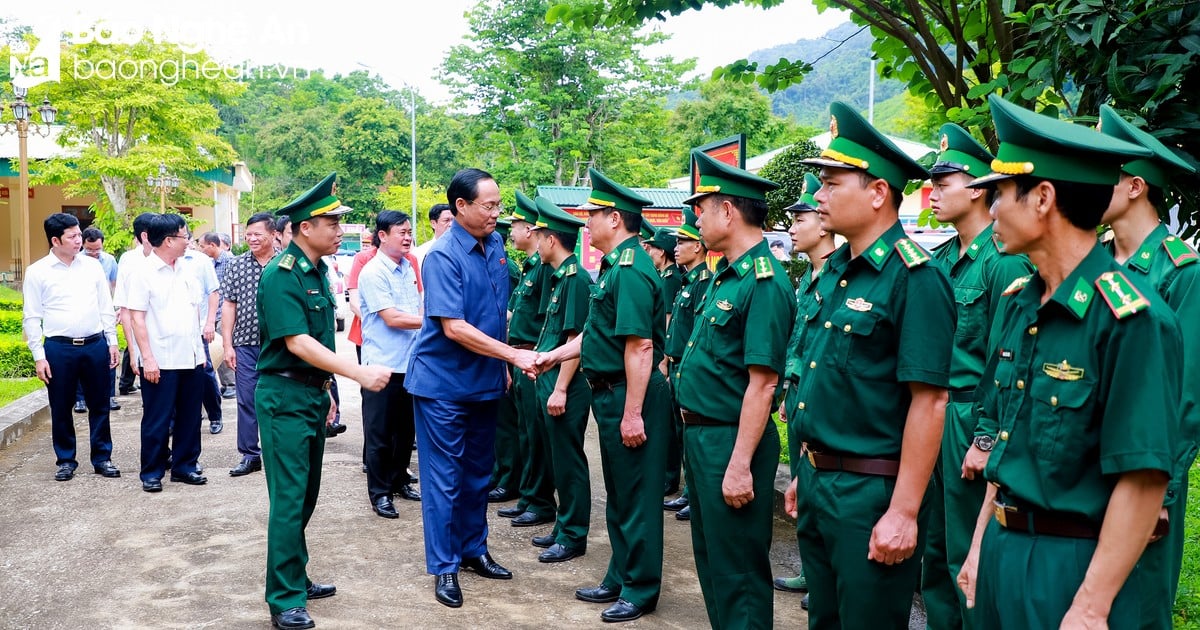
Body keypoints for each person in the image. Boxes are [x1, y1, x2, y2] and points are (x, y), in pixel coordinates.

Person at [956, 94, 1179, 629]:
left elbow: (1143, 479)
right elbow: (1006, 443)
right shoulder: (1017, 302)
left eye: (1001, 195)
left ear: (1043, 198)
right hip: (1005, 551)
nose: (991, 212)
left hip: (1074, 566)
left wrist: (1090, 606)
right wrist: (981, 545)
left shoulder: (1131, 319)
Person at [783, 101, 955, 627]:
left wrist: (903, 511)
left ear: (878, 191)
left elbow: (931, 402)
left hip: (870, 492)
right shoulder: (837, 272)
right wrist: (805, 466)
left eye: (832, 184)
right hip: (818, 481)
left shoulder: (914, 278)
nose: (818, 196)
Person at [254, 173, 392, 630]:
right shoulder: (282, 274)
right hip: (284, 397)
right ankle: (284, 597)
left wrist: (328, 393)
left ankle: (295, 572)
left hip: (310, 394)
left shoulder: (316, 272)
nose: (338, 229)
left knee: (306, 494)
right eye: (330, 221)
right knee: (290, 499)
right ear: (303, 228)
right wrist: (356, 375)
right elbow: (296, 342)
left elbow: (319, 342)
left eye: (338, 221)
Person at [536, 167, 671, 624]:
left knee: (637, 496)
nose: (585, 222)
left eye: (592, 215)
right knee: (620, 493)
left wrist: (633, 413)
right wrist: (553, 356)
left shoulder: (630, 271)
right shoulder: (616, 268)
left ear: (615, 219)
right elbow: (596, 335)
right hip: (610, 392)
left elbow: (640, 346)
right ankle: (621, 573)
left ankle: (640, 587)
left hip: (629, 395)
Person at [404, 168, 537, 609]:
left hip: (484, 381)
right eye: (489, 206)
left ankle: (473, 549)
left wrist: (499, 366)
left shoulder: (495, 245)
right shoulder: (442, 256)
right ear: (460, 207)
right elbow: (454, 327)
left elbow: (496, 311)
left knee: (480, 474)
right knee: (444, 478)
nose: (496, 214)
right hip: (443, 384)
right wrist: (513, 356)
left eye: (498, 206)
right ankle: (444, 567)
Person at [672, 150, 795, 629]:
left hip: (731, 440)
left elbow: (763, 385)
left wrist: (740, 464)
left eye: (702, 209)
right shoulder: (727, 274)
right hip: (705, 437)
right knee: (714, 563)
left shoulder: (763, 281)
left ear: (728, 211)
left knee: (739, 572)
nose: (696, 220)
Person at [919, 124, 1034, 628]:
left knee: (970, 552)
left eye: (944, 184)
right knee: (936, 547)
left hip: (971, 415)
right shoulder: (942, 258)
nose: (934, 193)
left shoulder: (1002, 261)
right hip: (936, 412)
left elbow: (1005, 361)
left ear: (978, 189)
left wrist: (986, 438)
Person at [1097, 104, 1199, 628]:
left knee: (1135, 608)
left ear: (1135, 186)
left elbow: (1185, 396)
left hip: (1145, 474)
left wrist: (1160, 490)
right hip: (1086, 471)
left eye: (1103, 173)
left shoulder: (1180, 271)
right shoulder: (1091, 261)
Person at [774, 172, 836, 605]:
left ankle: (827, 579)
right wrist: (785, 389)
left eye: (801, 218)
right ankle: (812, 572)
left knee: (824, 491)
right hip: (798, 393)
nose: (792, 227)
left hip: (823, 396)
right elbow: (798, 340)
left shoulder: (838, 275)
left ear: (823, 223)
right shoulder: (806, 279)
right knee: (802, 487)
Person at [23, 213, 121, 482]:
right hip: (59, 348)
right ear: (55, 240)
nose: (79, 240)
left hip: (94, 345)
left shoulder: (92, 268)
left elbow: (105, 306)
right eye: (73, 236)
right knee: (61, 405)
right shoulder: (37, 272)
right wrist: (39, 357)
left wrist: (111, 341)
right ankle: (66, 460)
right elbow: (32, 317)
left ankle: (102, 457)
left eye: (79, 234)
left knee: (100, 404)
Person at [528, 196, 593, 563]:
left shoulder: (576, 279)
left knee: (569, 460)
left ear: (552, 240)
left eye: (539, 236)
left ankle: (573, 535)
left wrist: (561, 388)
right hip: (550, 380)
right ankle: (562, 524)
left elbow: (575, 341)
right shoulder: (559, 278)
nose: (536, 243)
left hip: (564, 384)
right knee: (556, 457)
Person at [126, 213, 209, 493]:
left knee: (190, 417)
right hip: (159, 360)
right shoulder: (142, 273)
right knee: (157, 419)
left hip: (191, 357)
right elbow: (137, 319)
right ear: (169, 240)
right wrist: (147, 358)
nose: (189, 242)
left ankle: (185, 466)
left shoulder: (187, 270)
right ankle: (152, 471)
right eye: (185, 237)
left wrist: (201, 353)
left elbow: (195, 311)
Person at [359, 210, 423, 518]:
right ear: (382, 236)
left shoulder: (408, 267)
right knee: (380, 435)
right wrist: (432, 323)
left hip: (409, 365)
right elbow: (392, 317)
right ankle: (380, 492)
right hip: (381, 367)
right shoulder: (373, 272)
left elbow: (414, 304)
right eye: (402, 232)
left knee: (405, 432)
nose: (408, 237)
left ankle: (400, 480)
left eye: (410, 231)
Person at [498, 190, 556, 529]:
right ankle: (530, 495)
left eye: (516, 225)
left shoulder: (546, 269)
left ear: (532, 230)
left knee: (537, 435)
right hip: (521, 355)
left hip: (535, 356)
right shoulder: (532, 266)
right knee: (525, 432)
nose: (512, 232)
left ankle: (540, 499)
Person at [662, 207, 712, 522]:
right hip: (677, 365)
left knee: (690, 433)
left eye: (683, 242)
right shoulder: (686, 280)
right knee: (681, 434)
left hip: (687, 367)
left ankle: (695, 494)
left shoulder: (703, 282)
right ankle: (687, 492)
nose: (676, 247)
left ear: (698, 246)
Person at [220, 212, 277, 477]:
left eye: (258, 234)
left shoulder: (285, 263)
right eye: (248, 234)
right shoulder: (236, 265)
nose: (252, 238)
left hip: (281, 346)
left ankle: (278, 453)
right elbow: (229, 305)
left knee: (279, 400)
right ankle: (250, 455)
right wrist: (228, 345)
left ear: (273, 234)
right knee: (247, 400)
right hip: (246, 344)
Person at [488, 217, 522, 503]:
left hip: (508, 350)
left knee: (507, 425)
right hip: (498, 350)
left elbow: (506, 316)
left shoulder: (505, 267)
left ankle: (508, 477)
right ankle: (499, 473)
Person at [76, 226, 120, 413]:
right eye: (89, 249)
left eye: (97, 249)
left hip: (104, 314)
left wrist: (116, 308)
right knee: (79, 359)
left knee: (109, 356)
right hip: (82, 315)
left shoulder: (109, 260)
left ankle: (109, 396)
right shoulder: (75, 262)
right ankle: (80, 399)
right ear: (83, 245)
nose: (94, 253)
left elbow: (115, 285)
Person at [183, 238, 223, 435]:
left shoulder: (200, 261)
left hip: (198, 328)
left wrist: (209, 323)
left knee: (205, 372)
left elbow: (213, 292)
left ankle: (215, 415)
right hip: (175, 333)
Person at [115, 213, 157, 397]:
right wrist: (133, 352)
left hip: (174, 344)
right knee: (152, 400)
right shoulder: (129, 261)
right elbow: (126, 310)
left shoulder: (178, 259)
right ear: (145, 235)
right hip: (144, 340)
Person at [201, 231, 237, 399]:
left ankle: (230, 384)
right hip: (215, 312)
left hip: (227, 312)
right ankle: (225, 383)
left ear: (212, 245)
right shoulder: (210, 263)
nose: (201, 250)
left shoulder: (230, 261)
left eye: (203, 246)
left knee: (224, 347)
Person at [412, 202, 454, 271]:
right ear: (433, 223)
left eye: (453, 220)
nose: (451, 224)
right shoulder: (420, 253)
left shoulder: (463, 250)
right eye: (446, 220)